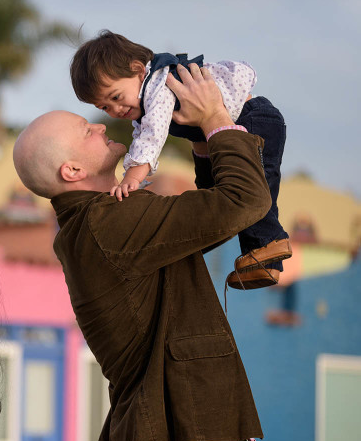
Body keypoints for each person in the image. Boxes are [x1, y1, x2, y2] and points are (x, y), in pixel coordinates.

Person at [13, 64, 265, 441]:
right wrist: (217, 117)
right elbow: (246, 202)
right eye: (88, 131)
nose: (103, 126)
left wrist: (200, 142)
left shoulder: (102, 224)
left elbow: (216, 215)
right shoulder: (110, 226)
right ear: (71, 172)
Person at [70, 30, 291, 289]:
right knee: (214, 197)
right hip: (218, 135)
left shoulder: (158, 87)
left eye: (116, 97)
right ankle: (256, 255)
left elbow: (152, 136)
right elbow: (143, 136)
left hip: (253, 119)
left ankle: (267, 248)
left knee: (257, 186)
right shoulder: (142, 104)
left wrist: (132, 178)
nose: (116, 110)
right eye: (105, 107)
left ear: (139, 70)